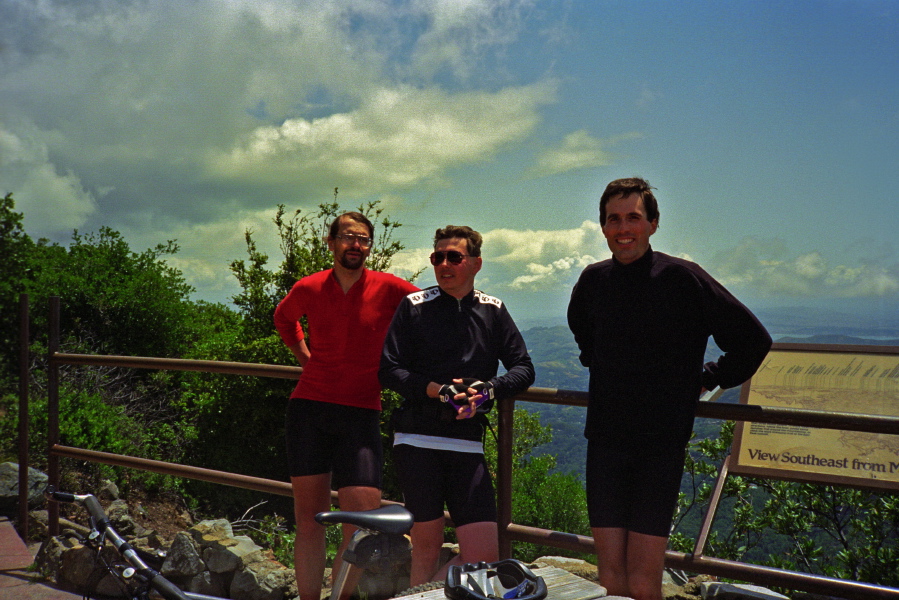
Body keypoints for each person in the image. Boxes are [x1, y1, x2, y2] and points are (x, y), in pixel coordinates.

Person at [567, 178, 772, 600]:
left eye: (634, 218)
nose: (624, 227)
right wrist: (603, 364)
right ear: (603, 226)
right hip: (604, 439)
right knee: (609, 578)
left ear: (653, 223)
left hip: (659, 444)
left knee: (643, 581)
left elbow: (753, 340)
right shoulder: (593, 281)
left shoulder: (683, 278)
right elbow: (583, 334)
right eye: (614, 219)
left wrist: (708, 375)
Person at [273, 211, 418, 600]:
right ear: (331, 241)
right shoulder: (310, 287)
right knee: (309, 521)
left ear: (371, 246)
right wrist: (306, 359)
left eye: (364, 239)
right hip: (309, 410)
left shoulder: (390, 289)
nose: (356, 245)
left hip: (361, 412)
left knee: (362, 527)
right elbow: (284, 320)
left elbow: (428, 307)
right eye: (348, 237)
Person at [379, 225, 535, 586]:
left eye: (454, 257)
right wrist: (437, 390)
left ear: (476, 263)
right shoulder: (414, 307)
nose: (444, 264)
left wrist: (489, 390)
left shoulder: (493, 311)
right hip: (417, 439)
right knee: (427, 548)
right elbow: (388, 370)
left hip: (467, 441)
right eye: (438, 257)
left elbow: (524, 368)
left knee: (485, 555)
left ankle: (418, 598)